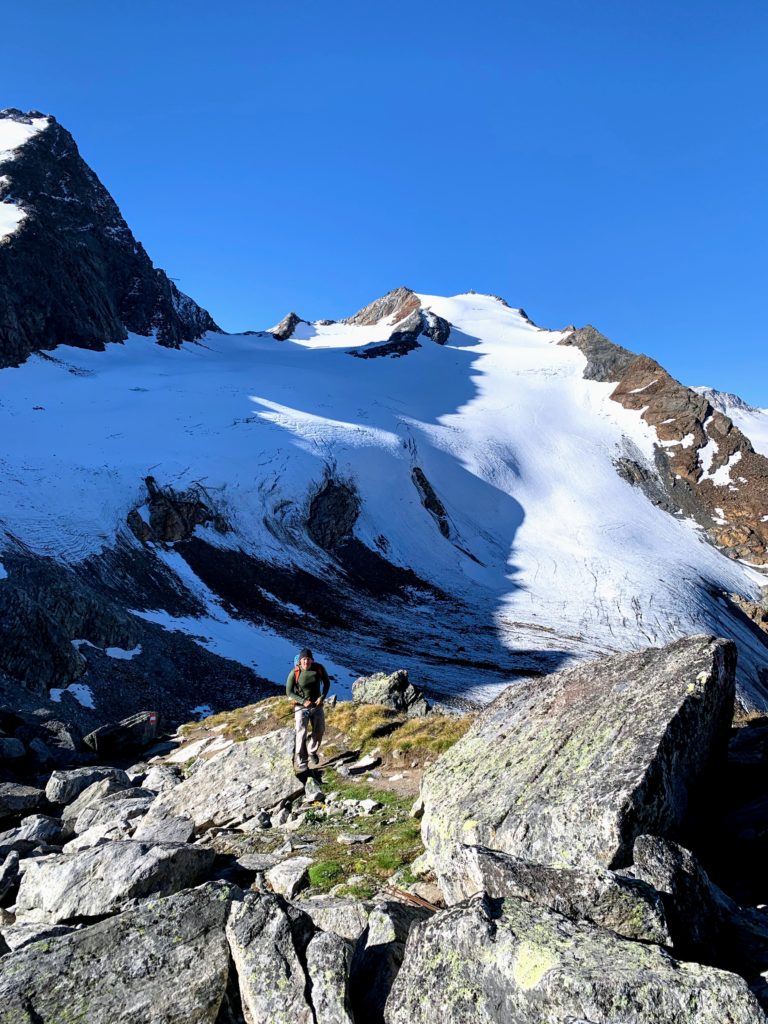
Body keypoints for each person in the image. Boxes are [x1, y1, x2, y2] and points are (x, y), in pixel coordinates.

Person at [286, 647, 330, 770]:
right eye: (304, 659)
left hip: (317, 706)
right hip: (301, 708)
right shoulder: (294, 672)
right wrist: (303, 701)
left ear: (312, 660)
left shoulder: (319, 668)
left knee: (320, 730)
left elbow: (327, 683)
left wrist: (322, 697)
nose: (306, 662)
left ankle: (312, 751)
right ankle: (302, 762)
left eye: (308, 659)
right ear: (300, 661)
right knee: (301, 733)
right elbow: (289, 692)